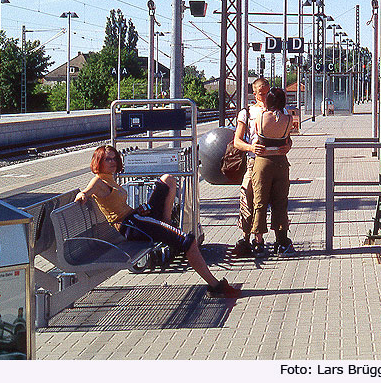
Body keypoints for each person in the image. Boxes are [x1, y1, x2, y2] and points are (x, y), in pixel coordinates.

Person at [75, 145, 240, 298]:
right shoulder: (98, 181)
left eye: (114, 158)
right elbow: (86, 192)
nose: (112, 162)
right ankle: (215, 286)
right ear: (98, 162)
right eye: (107, 159)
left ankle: (165, 222)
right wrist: (81, 196)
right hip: (131, 225)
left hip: (136, 217)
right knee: (188, 241)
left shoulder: (110, 178)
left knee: (168, 180)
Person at [232, 78, 293, 256]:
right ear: (254, 93)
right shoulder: (248, 113)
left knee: (277, 201)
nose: (265, 97)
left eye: (268, 93)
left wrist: (288, 146)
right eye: (261, 93)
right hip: (253, 161)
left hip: (274, 159)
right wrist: (251, 147)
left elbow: (288, 139)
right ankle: (247, 238)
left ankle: (280, 239)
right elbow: (237, 141)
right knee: (248, 199)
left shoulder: (280, 112)